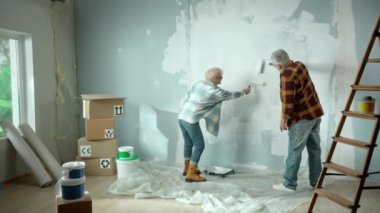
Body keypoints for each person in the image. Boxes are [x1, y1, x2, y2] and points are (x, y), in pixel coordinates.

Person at [178, 67, 251, 182]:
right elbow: (231, 95)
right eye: (221, 76)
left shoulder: (199, 84)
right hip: (191, 119)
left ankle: (187, 168)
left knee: (188, 143)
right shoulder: (216, 92)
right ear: (216, 78)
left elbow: (188, 95)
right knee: (199, 145)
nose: (222, 78)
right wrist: (243, 92)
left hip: (182, 116)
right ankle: (191, 173)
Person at [270, 49, 324, 192]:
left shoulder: (286, 76)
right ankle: (316, 182)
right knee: (315, 149)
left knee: (294, 150)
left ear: (280, 66)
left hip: (302, 118)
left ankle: (289, 184)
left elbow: (288, 102)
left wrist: (283, 119)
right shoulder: (299, 65)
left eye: (274, 66)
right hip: (315, 113)